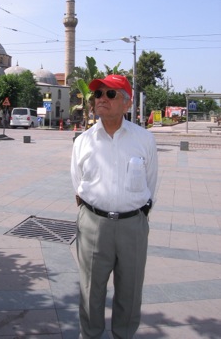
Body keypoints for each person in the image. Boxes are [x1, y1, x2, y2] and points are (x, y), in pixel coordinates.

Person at [71, 74, 158, 339]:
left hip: (133, 225)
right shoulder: (83, 141)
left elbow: (151, 184)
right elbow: (78, 186)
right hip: (93, 225)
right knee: (90, 292)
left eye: (110, 94)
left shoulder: (144, 140)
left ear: (127, 104)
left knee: (130, 293)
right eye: (98, 94)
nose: (101, 100)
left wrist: (138, 213)